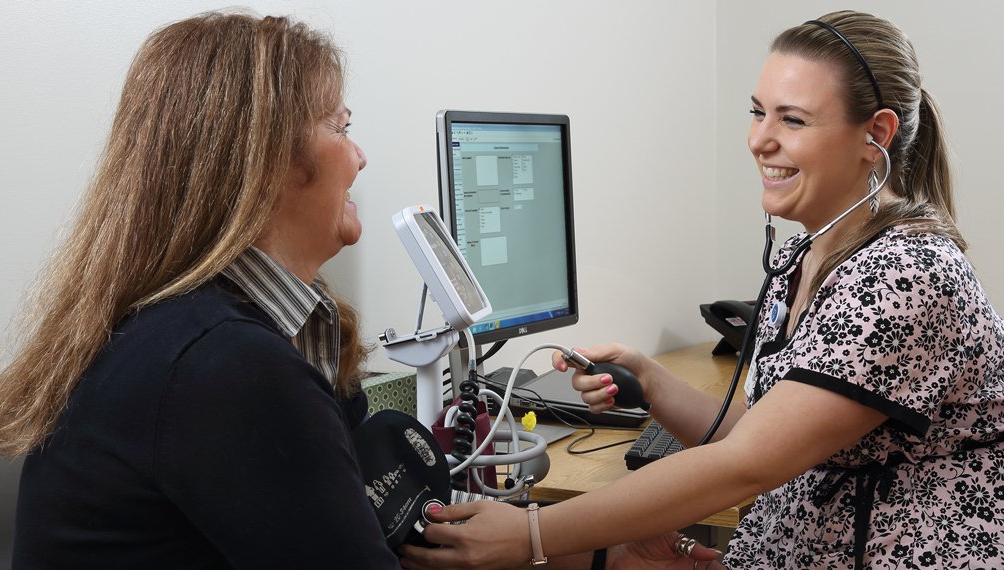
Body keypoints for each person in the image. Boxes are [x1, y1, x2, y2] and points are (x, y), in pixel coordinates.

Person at [0, 11, 726, 570]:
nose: (362, 154)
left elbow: (376, 534)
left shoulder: (253, 334)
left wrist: (595, 556)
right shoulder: (222, 369)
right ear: (268, 160)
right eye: (339, 125)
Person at [401, 10, 1004, 570]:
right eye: (757, 111)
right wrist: (650, 380)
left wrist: (531, 535)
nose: (759, 140)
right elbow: (759, 431)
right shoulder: (811, 251)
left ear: (875, 134)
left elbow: (745, 465)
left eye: (792, 119)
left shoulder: (907, 274)